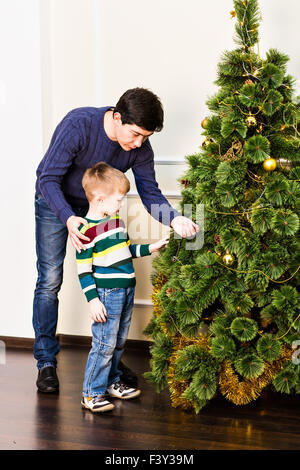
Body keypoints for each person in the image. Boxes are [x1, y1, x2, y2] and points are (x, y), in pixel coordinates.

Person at [34, 87, 199, 393]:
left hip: (98, 208)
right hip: (54, 203)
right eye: (135, 134)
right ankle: (46, 361)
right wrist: (69, 218)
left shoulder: (139, 148)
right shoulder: (79, 124)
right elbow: (47, 178)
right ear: (117, 117)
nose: (138, 144)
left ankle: (108, 359)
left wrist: (175, 218)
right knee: (50, 280)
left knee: (108, 278)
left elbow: (150, 193)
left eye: (145, 138)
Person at [77, 162, 169, 412]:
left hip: (127, 288)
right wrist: (93, 300)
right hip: (107, 294)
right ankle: (91, 393)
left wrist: (150, 247)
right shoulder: (85, 231)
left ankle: (111, 382)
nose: (121, 204)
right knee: (104, 344)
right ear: (98, 199)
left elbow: (125, 251)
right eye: (118, 200)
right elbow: (84, 270)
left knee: (118, 342)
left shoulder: (115, 221)